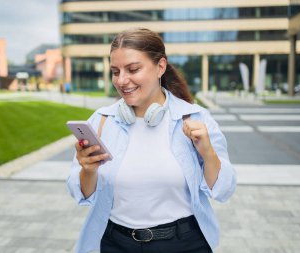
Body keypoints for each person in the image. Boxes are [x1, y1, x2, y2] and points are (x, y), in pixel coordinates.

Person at [67, 28, 236, 253]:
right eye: (115, 71)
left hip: (183, 244)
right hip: (115, 243)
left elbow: (224, 190)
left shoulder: (195, 118)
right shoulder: (101, 121)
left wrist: (208, 153)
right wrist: (87, 170)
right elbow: (83, 195)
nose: (122, 80)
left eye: (133, 69)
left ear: (161, 67)